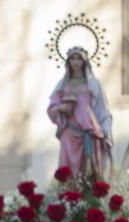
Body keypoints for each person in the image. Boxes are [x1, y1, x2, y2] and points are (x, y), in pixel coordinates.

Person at [47, 46, 113, 178]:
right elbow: (52, 107)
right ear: (68, 62)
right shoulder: (63, 84)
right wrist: (61, 108)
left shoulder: (93, 84)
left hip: (89, 132)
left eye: (79, 59)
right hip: (69, 131)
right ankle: (69, 196)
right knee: (68, 172)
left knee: (90, 171)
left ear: (84, 62)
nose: (75, 62)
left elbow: (103, 109)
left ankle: (88, 195)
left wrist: (106, 133)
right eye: (72, 59)